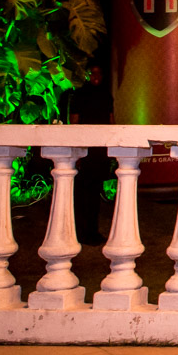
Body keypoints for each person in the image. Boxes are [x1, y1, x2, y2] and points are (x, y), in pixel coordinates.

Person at [69, 64, 113, 245]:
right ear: (86, 75)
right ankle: (79, 232)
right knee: (81, 194)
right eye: (92, 73)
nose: (96, 76)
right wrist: (76, 150)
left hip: (100, 150)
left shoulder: (106, 94)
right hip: (84, 149)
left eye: (99, 73)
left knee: (95, 193)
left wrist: (111, 148)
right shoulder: (79, 94)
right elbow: (74, 122)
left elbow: (111, 121)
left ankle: (92, 231)